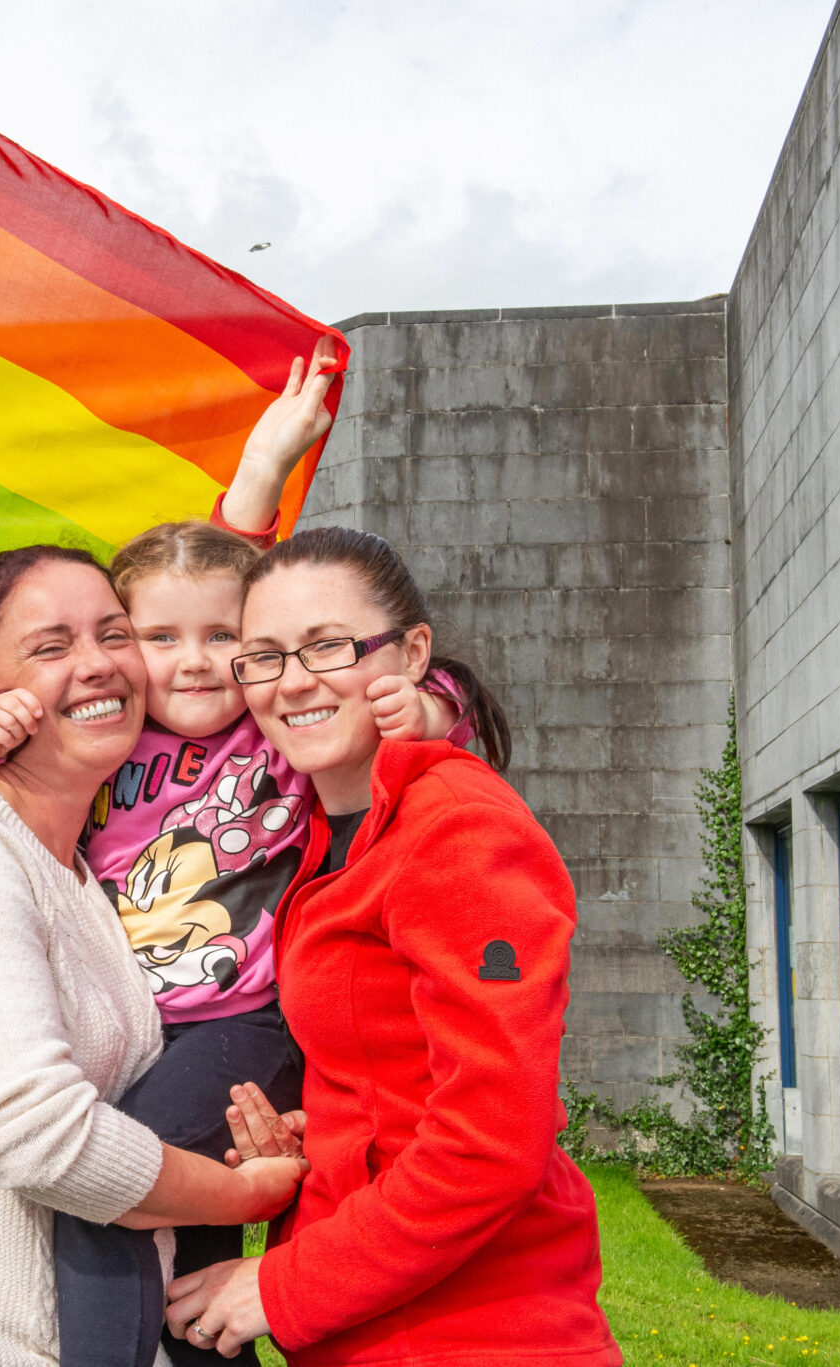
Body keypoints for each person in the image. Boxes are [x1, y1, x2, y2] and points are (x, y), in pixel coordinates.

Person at [0, 356, 468, 1367]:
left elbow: (252, 595)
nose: (198, 659)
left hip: (239, 1022)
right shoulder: (112, 740)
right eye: (158, 638)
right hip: (142, 1024)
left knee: (109, 1195)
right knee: (197, 1283)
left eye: (223, 640)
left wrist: (418, 709)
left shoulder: (265, 725)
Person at [0, 544, 309, 1367]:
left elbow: (206, 580)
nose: (95, 665)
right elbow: (40, 1134)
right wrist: (234, 1190)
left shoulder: (87, 877)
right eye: (51, 646)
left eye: (114, 634)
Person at [163, 526, 621, 1367]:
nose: (293, 681)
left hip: (476, 1333)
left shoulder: (456, 828)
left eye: (326, 646)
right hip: (370, 1325)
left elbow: (490, 1142)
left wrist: (278, 1286)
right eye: (263, 655)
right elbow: (391, 1075)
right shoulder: (318, 837)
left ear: (413, 653)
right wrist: (312, 1140)